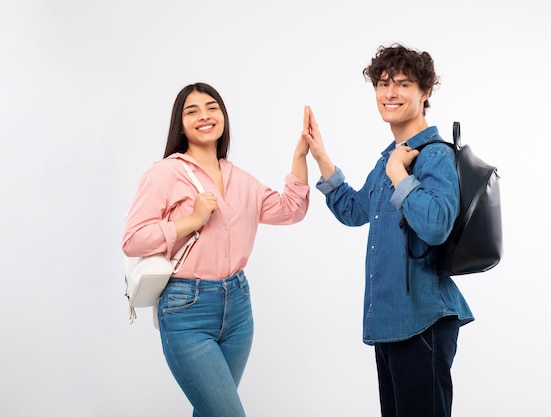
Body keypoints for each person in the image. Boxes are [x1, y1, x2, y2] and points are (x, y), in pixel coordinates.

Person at [303, 44, 474, 417]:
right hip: (392, 322)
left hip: (423, 322)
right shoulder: (390, 157)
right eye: (382, 84)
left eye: (402, 83)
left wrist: (400, 174)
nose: (390, 93)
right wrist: (321, 158)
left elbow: (436, 225)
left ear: (425, 92)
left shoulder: (433, 155)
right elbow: (355, 210)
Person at [122, 82, 310, 417]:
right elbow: (133, 238)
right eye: (191, 111)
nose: (204, 116)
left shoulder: (240, 179)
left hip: (238, 308)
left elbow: (290, 210)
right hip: (186, 310)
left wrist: (300, 157)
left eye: (212, 108)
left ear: (223, 117)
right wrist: (192, 220)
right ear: (180, 125)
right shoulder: (165, 173)